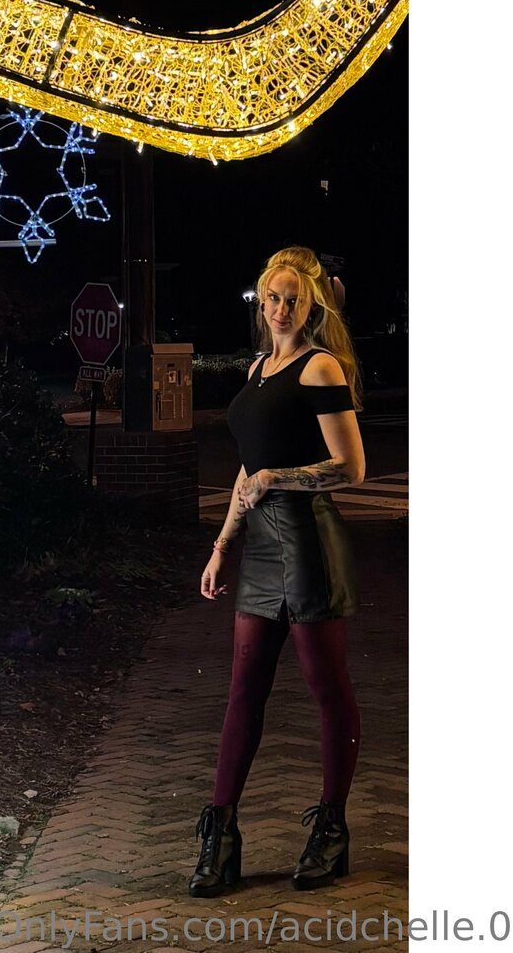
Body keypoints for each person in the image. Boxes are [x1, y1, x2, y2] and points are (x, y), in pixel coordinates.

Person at [189, 246, 366, 898]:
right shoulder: (260, 368)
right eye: (273, 297)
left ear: (311, 305)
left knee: (327, 687)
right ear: (261, 301)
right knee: (244, 691)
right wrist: (222, 544)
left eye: (294, 299)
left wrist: (276, 478)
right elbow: (248, 468)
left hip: (310, 543)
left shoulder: (320, 366)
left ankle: (331, 829)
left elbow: (352, 468)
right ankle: (221, 834)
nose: (282, 308)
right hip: (262, 551)